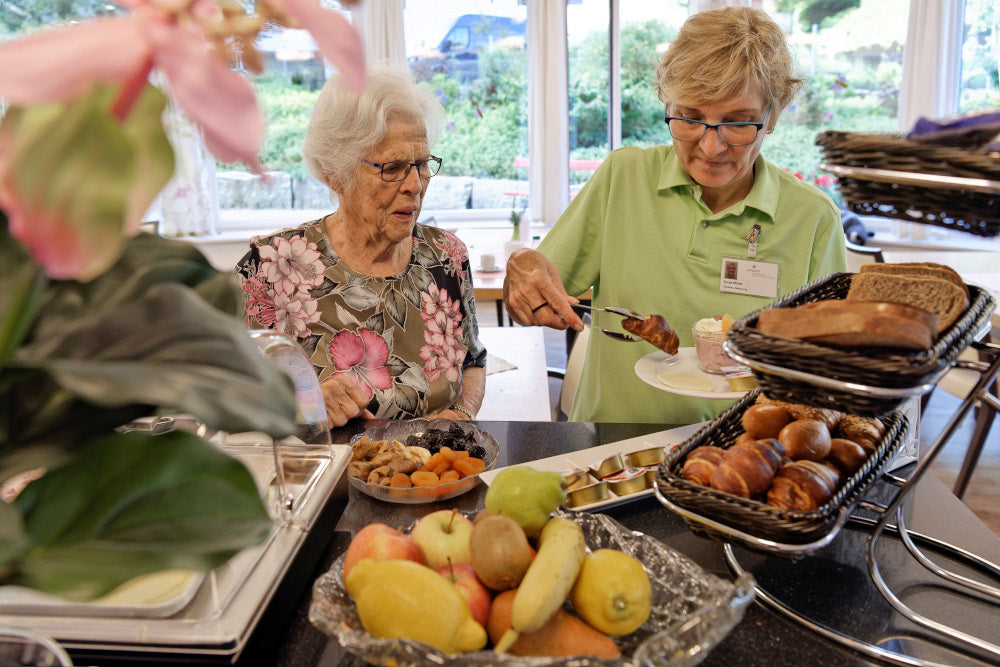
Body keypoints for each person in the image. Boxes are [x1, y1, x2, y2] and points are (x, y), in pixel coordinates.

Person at [503, 6, 847, 425]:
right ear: (668, 103)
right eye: (691, 117)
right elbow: (543, 287)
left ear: (770, 117)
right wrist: (521, 269)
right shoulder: (623, 177)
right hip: (610, 449)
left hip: (742, 457)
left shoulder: (813, 219)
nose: (710, 146)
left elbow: (826, 370)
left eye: (737, 124)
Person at [236, 64, 486, 426]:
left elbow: (473, 359)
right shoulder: (270, 268)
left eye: (421, 164)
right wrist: (304, 404)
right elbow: (226, 391)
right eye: (393, 167)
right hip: (330, 474)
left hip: (437, 474)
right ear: (338, 174)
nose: (415, 185)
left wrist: (463, 414)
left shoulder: (447, 256)